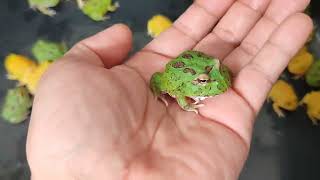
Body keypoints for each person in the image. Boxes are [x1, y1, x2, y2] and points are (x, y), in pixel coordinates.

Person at [26, 0, 312, 179]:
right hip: (174, 78)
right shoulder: (181, 86)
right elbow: (183, 98)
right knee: (166, 82)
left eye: (217, 70)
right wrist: (187, 101)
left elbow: (212, 69)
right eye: (205, 82)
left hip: (191, 65)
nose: (218, 77)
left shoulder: (216, 71)